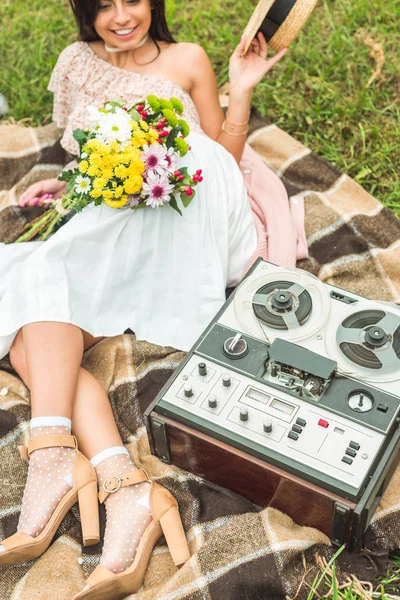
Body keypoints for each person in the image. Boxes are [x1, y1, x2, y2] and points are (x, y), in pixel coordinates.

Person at [0, 0, 289, 598]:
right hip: (111, 196)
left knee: (41, 282)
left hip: (187, 196)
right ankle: (127, 488)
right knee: (39, 319)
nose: (120, 15)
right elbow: (84, 149)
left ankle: (53, 465)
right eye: (103, 5)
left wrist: (240, 90)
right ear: (84, 12)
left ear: (153, 4)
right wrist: (78, 181)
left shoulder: (187, 59)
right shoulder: (76, 62)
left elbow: (222, 158)